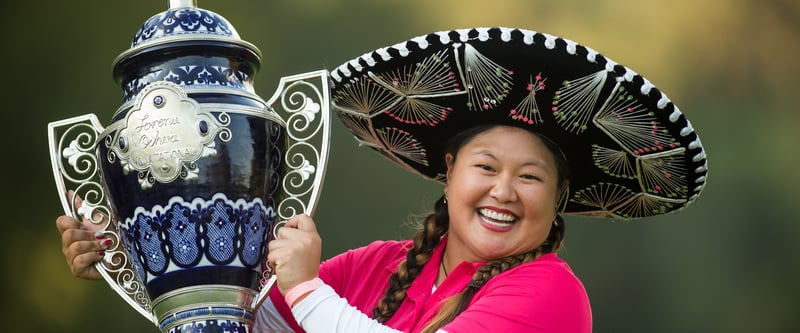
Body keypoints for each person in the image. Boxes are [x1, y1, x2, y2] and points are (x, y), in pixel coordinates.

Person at [56, 27, 708, 332]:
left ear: (558, 195)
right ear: (448, 172)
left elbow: (309, 307)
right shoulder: (376, 268)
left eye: (530, 176)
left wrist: (307, 288)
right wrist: (133, 254)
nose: (504, 190)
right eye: (485, 166)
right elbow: (232, 325)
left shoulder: (552, 297)